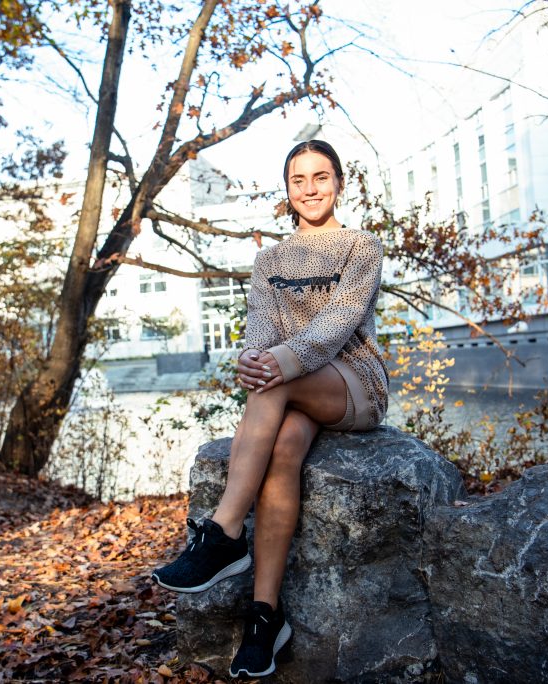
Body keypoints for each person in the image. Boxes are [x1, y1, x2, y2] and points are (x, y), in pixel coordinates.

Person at [151, 139, 389, 678]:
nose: (310, 189)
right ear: (287, 192)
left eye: (320, 177)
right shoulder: (270, 259)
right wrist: (252, 358)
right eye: (298, 180)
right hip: (291, 382)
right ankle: (265, 617)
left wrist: (278, 362)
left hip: (352, 381)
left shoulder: (361, 247)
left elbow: (338, 324)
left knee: (271, 386)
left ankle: (225, 531)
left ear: (340, 183)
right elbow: (259, 324)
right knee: (283, 447)